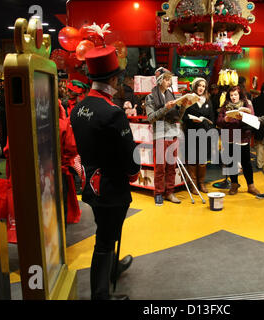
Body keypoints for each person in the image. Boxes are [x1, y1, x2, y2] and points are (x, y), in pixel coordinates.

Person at [70, 45, 140, 300]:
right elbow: (128, 152)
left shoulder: (77, 109)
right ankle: (100, 295)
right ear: (112, 80)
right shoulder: (113, 113)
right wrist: (133, 174)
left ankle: (114, 266)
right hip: (112, 186)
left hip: (90, 183)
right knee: (104, 239)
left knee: (108, 230)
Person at [145, 69, 187, 206]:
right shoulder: (150, 97)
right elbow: (151, 118)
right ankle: (158, 193)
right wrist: (165, 108)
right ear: (159, 80)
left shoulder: (172, 96)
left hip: (173, 133)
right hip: (160, 135)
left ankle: (169, 192)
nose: (169, 82)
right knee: (160, 167)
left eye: (170, 79)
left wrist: (183, 107)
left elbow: (177, 118)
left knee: (171, 166)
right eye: (167, 79)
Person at [216, 85, 261, 196]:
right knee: (231, 162)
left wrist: (242, 118)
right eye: (231, 95)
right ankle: (234, 185)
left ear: (240, 95)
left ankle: (251, 186)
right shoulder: (225, 106)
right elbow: (218, 121)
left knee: (246, 162)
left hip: (242, 137)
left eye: (235, 94)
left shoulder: (246, 104)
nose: (233, 97)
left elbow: (252, 119)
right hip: (230, 137)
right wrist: (225, 119)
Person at [182, 77, 215, 194]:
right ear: (195, 86)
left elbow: (212, 119)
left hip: (204, 134)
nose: (201, 88)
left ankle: (201, 183)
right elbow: (183, 117)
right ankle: (193, 184)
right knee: (191, 160)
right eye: (199, 85)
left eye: (203, 86)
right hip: (191, 133)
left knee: (202, 161)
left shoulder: (208, 101)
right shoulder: (189, 99)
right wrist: (192, 120)